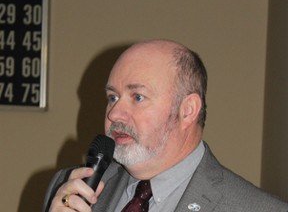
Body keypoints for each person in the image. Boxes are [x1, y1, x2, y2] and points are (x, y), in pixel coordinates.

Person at [43, 39, 288, 212]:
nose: (115, 113)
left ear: (187, 110)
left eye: (138, 97)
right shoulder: (70, 191)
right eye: (112, 97)